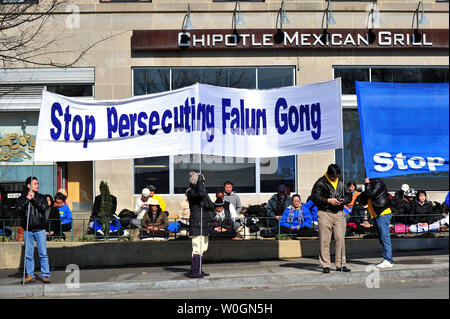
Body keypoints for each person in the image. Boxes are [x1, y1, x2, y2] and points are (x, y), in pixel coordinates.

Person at [310, 164, 352, 273]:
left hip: (339, 213)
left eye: (337, 176)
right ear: (329, 174)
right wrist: (328, 200)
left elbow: (349, 195)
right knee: (325, 240)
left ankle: (341, 264)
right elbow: (314, 197)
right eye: (333, 177)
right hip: (325, 213)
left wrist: (344, 200)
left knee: (340, 239)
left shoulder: (341, 181)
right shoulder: (321, 182)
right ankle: (325, 265)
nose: (335, 178)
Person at [16, 176, 51, 284]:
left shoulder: (41, 197)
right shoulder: (22, 197)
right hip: (28, 230)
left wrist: (34, 198)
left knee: (43, 253)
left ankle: (45, 275)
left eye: (37, 183)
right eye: (35, 184)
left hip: (40, 229)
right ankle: (30, 275)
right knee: (28, 255)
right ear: (28, 185)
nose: (37, 185)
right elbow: (19, 209)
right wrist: (27, 199)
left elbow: (44, 206)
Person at [361, 177, 394, 268]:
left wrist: (367, 184)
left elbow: (372, 194)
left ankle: (388, 260)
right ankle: (386, 258)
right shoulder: (370, 184)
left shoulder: (378, 182)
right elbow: (364, 199)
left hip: (383, 213)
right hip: (376, 214)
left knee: (384, 237)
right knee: (381, 238)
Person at [187, 171, 214, 278]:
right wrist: (199, 182)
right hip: (197, 223)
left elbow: (211, 205)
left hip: (204, 222)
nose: (204, 183)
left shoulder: (202, 191)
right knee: (197, 247)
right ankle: (195, 270)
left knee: (203, 247)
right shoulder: (190, 192)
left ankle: (199, 268)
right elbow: (200, 195)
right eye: (202, 182)